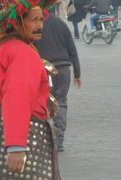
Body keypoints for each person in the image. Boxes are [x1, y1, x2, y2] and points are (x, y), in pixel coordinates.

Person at [0, 0, 61, 179]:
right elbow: (17, 97)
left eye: (41, 20)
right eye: (33, 20)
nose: (40, 25)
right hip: (24, 136)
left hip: (1, 131)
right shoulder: (20, 52)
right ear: (16, 23)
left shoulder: (4, 46)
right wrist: (16, 145)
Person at [35, 12, 81, 152]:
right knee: (60, 102)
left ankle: (43, 138)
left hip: (41, 68)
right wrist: (77, 73)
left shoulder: (34, 25)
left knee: (40, 102)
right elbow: (72, 49)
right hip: (62, 68)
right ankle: (59, 139)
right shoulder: (61, 24)